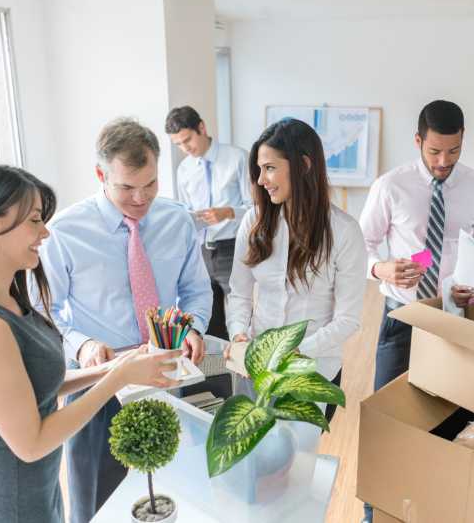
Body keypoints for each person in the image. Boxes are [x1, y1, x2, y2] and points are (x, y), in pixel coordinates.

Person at [0, 163, 180, 523]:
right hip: (8, 508)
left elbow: (35, 388)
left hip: (37, 493)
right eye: (34, 220)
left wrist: (109, 369)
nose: (45, 232)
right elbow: (31, 443)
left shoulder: (8, 300)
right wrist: (118, 378)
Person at [33, 118, 211, 523]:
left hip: (164, 376)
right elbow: (43, 314)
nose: (140, 198)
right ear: (101, 174)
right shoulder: (63, 232)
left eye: (149, 185)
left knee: (173, 491)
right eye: (127, 187)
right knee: (95, 502)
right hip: (94, 385)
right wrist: (81, 343)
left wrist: (195, 326)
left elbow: (197, 290)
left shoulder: (177, 220)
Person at [225, 118, 367, 423]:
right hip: (256, 370)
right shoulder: (254, 222)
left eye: (270, 168)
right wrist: (239, 335)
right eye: (259, 169)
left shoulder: (343, 232)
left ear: (303, 165)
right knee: (258, 464)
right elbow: (239, 291)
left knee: (297, 465)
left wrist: (292, 353)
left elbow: (348, 319)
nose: (261, 179)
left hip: (312, 372)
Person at [359, 100, 474, 391]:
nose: (443, 161)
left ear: (463, 137)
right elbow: (361, 245)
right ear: (418, 140)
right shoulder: (390, 186)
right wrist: (380, 268)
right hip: (402, 313)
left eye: (454, 150)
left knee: (446, 406)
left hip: (455, 313)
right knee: (388, 405)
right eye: (434, 151)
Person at [167, 106, 252, 340]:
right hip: (201, 252)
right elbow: (185, 213)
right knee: (208, 322)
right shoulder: (184, 170)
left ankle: (250, 371)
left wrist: (228, 212)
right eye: (178, 145)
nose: (185, 149)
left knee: (243, 317)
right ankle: (218, 375)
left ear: (202, 128)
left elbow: (257, 209)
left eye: (187, 140)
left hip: (233, 248)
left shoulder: (237, 158)